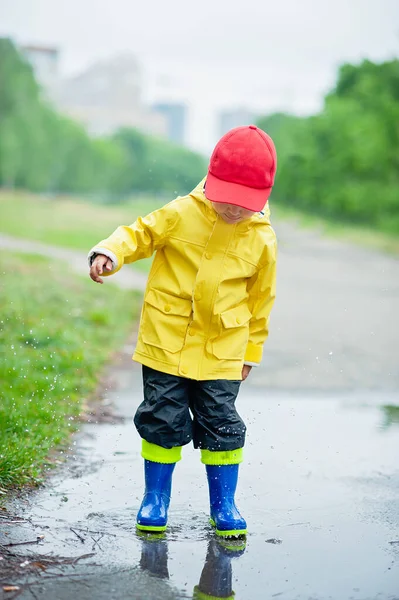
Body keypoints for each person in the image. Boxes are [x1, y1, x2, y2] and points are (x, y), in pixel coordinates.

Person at [88, 125, 277, 538]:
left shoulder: (263, 240)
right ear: (212, 181)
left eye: (245, 205)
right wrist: (109, 251)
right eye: (229, 200)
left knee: (222, 424)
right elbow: (139, 233)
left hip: (222, 351)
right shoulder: (180, 213)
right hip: (165, 342)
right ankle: (155, 499)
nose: (234, 211)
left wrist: (251, 352)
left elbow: (261, 302)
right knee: (162, 419)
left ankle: (224, 504)